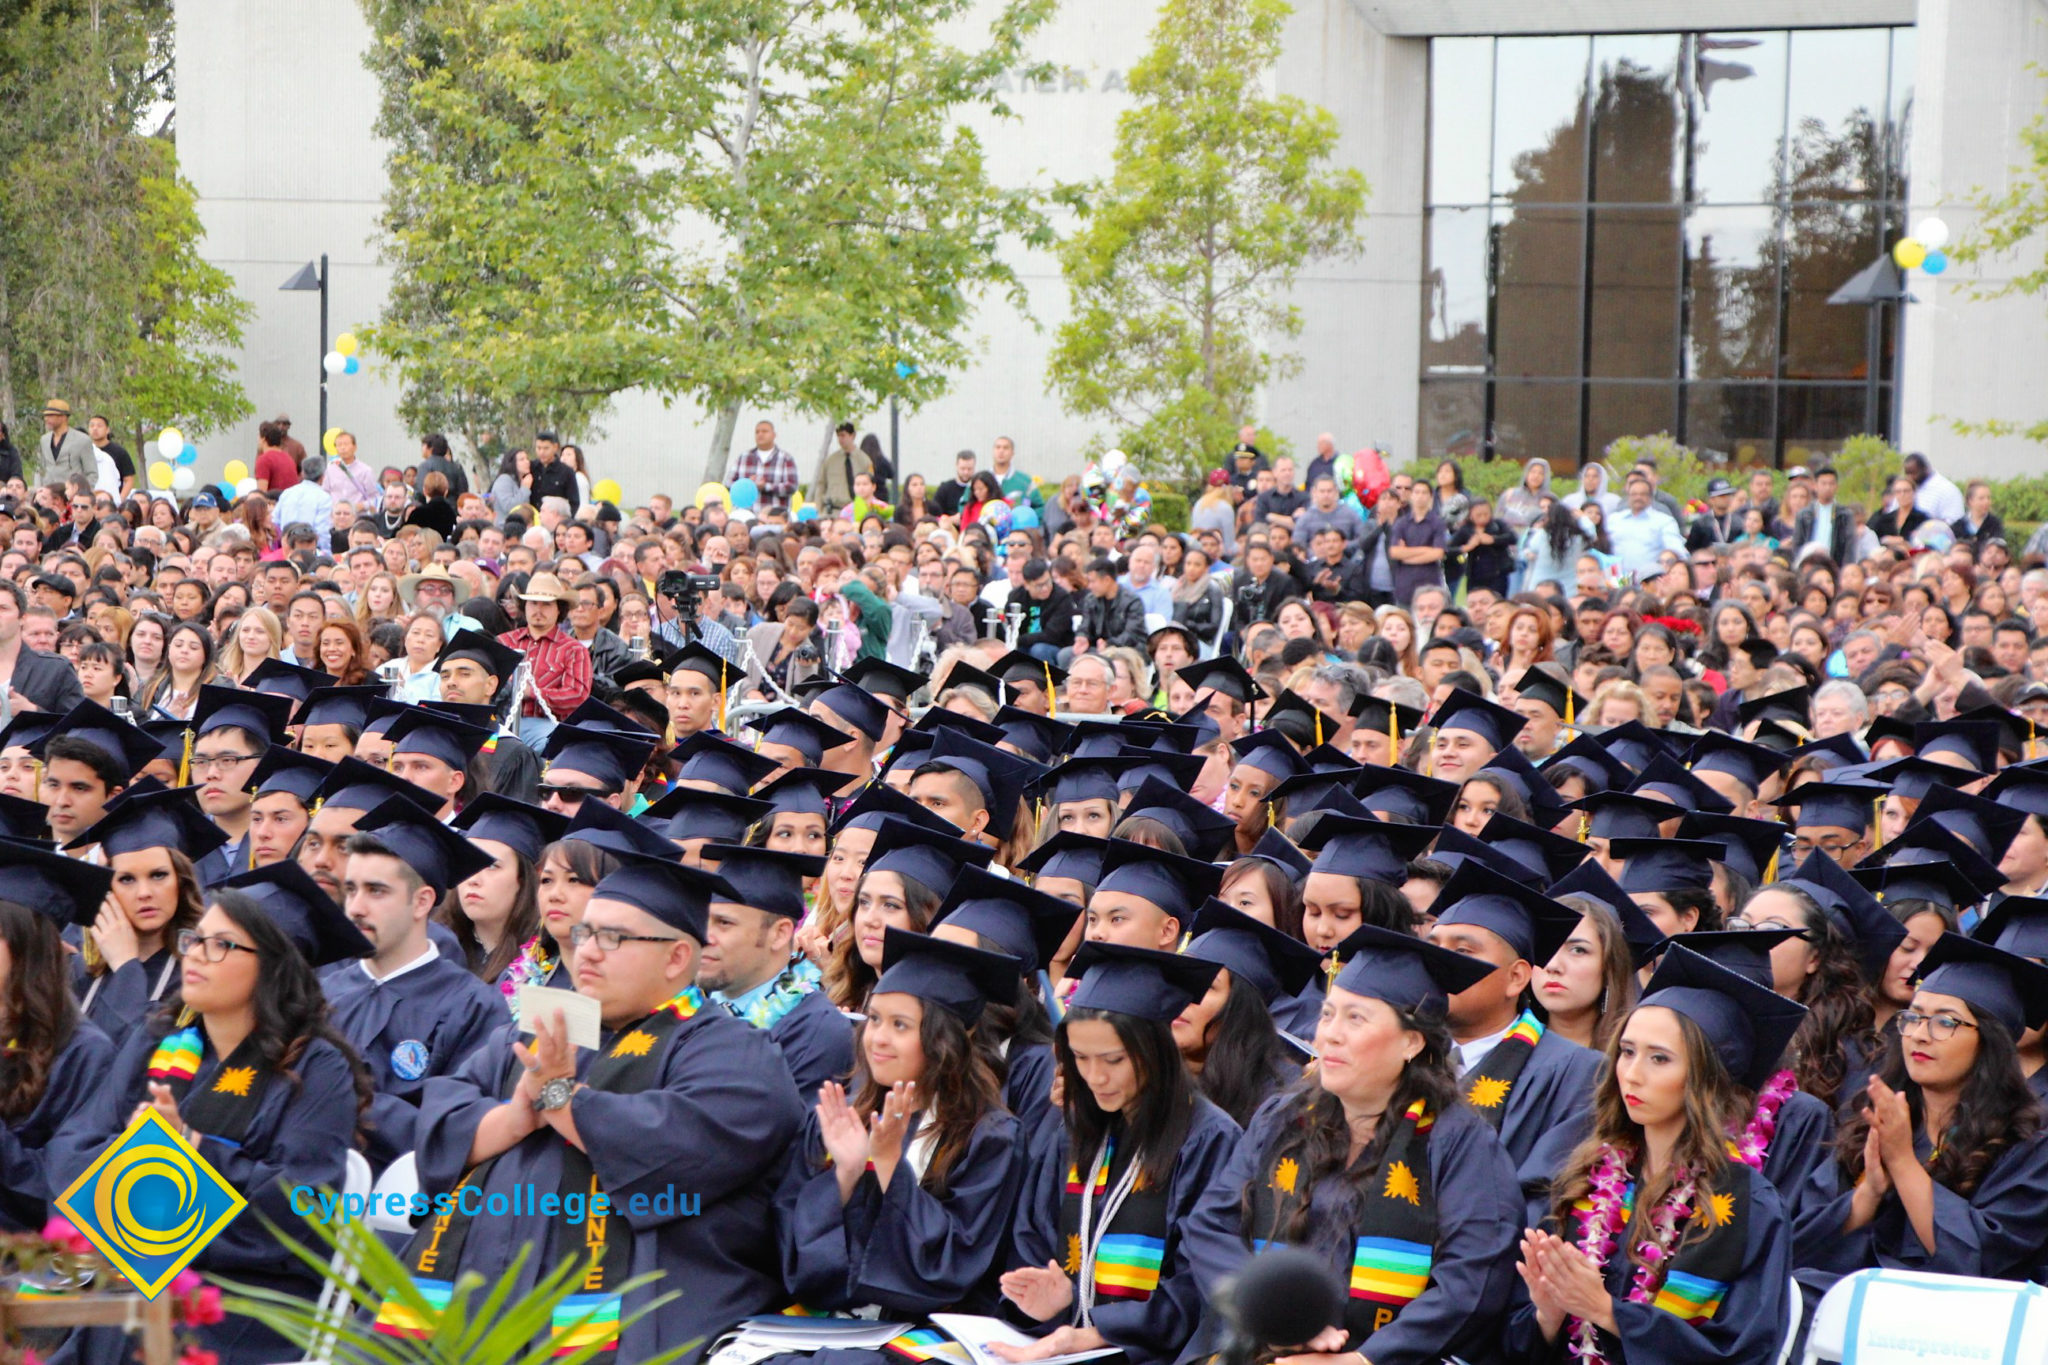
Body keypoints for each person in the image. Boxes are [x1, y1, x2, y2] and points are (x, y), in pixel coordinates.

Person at [388, 851, 805, 1358]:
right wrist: (515, 1117)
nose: (587, 952)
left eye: (614, 938)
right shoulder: (543, 1024)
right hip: (475, 1288)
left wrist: (562, 1100)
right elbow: (446, 1113)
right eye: (586, 934)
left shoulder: (732, 1050)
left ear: (676, 957)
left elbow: (676, 1146)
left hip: (634, 1307)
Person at [49, 867, 372, 1365]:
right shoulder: (160, 1037)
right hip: (136, 1266)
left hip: (250, 1293)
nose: (195, 954)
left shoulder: (315, 1067)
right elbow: (78, 1142)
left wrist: (195, 1151)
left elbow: (304, 1202)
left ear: (273, 966)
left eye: (221, 945)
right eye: (195, 939)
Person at [1184, 923, 1523, 1365]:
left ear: (1412, 1041)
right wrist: (1275, 1318)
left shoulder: (1459, 1141)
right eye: (1327, 1015)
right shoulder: (1281, 1118)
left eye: (1355, 1018)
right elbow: (1211, 1225)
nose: (1330, 1035)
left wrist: (1364, 1360)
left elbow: (1472, 1281)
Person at [1506, 944, 1799, 1365]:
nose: (1633, 1073)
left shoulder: (1748, 1204)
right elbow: (1517, 1341)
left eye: (1659, 1058)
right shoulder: (1585, 1175)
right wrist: (1548, 1314)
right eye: (1627, 1051)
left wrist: (1606, 1312)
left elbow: (1744, 1352)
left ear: (1706, 1077)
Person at [998, 944, 1243, 1365]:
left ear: (1155, 1050)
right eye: (1080, 1058)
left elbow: (1199, 1280)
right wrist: (1051, 1300)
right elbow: (1033, 1234)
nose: (1095, 1077)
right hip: (1058, 1348)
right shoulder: (1074, 1131)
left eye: (1113, 1060)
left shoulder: (1210, 1139)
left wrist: (1099, 1334)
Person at [776, 929, 1023, 1329]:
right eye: (874, 1019)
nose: (878, 1038)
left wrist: (891, 1166)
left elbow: (952, 1267)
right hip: (833, 1322)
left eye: (901, 1025)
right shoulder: (849, 1114)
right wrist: (847, 1174)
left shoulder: (989, 1136)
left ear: (944, 1040)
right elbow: (798, 1258)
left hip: (928, 1332)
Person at [1793, 933, 2048, 1285]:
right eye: (1913, 1018)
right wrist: (1868, 1194)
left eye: (1945, 1022)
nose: (1920, 1035)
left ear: (1991, 1043)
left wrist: (1902, 1161)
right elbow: (1799, 1247)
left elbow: (1980, 1260)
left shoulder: (2029, 1145)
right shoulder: (1877, 1120)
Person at [326, 798, 506, 1171]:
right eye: (351, 889)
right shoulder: (322, 995)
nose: (356, 907)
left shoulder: (474, 1009)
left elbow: (458, 1133)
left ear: (422, 902)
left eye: (376, 891)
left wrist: (348, 1097)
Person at [697, 842, 852, 1096]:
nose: (705, 936)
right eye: (703, 920)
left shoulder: (817, 1030)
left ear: (780, 934)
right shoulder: (688, 1006)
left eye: (724, 923)